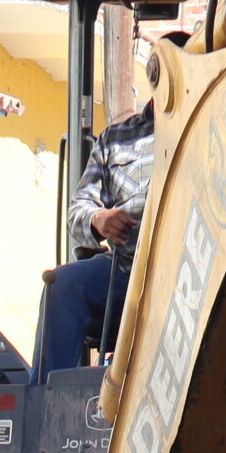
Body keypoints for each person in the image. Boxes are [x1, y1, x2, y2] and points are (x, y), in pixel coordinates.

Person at [37, 95, 154, 379]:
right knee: (63, 285)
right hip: (126, 271)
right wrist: (99, 219)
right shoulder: (116, 139)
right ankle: (47, 401)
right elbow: (78, 209)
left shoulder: (220, 124)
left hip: (193, 273)